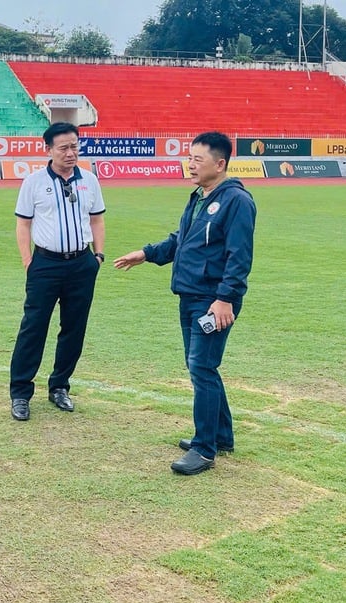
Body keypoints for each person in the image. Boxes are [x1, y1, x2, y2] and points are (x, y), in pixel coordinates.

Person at [113, 131, 256, 475]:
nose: (190, 164)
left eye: (198, 159)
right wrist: (147, 254)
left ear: (220, 164)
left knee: (202, 369)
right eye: (189, 157)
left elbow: (239, 257)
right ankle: (220, 435)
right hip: (190, 296)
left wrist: (225, 299)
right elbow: (182, 240)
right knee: (201, 367)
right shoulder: (199, 197)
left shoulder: (237, 201)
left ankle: (204, 448)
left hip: (212, 300)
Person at [9, 122, 106, 421]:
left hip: (81, 264)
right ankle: (21, 393)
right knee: (33, 327)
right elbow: (23, 224)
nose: (70, 152)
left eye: (74, 146)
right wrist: (28, 261)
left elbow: (97, 220)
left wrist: (98, 256)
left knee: (74, 328)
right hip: (45, 264)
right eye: (63, 147)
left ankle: (60, 386)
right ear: (48, 149)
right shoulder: (34, 182)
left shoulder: (89, 180)